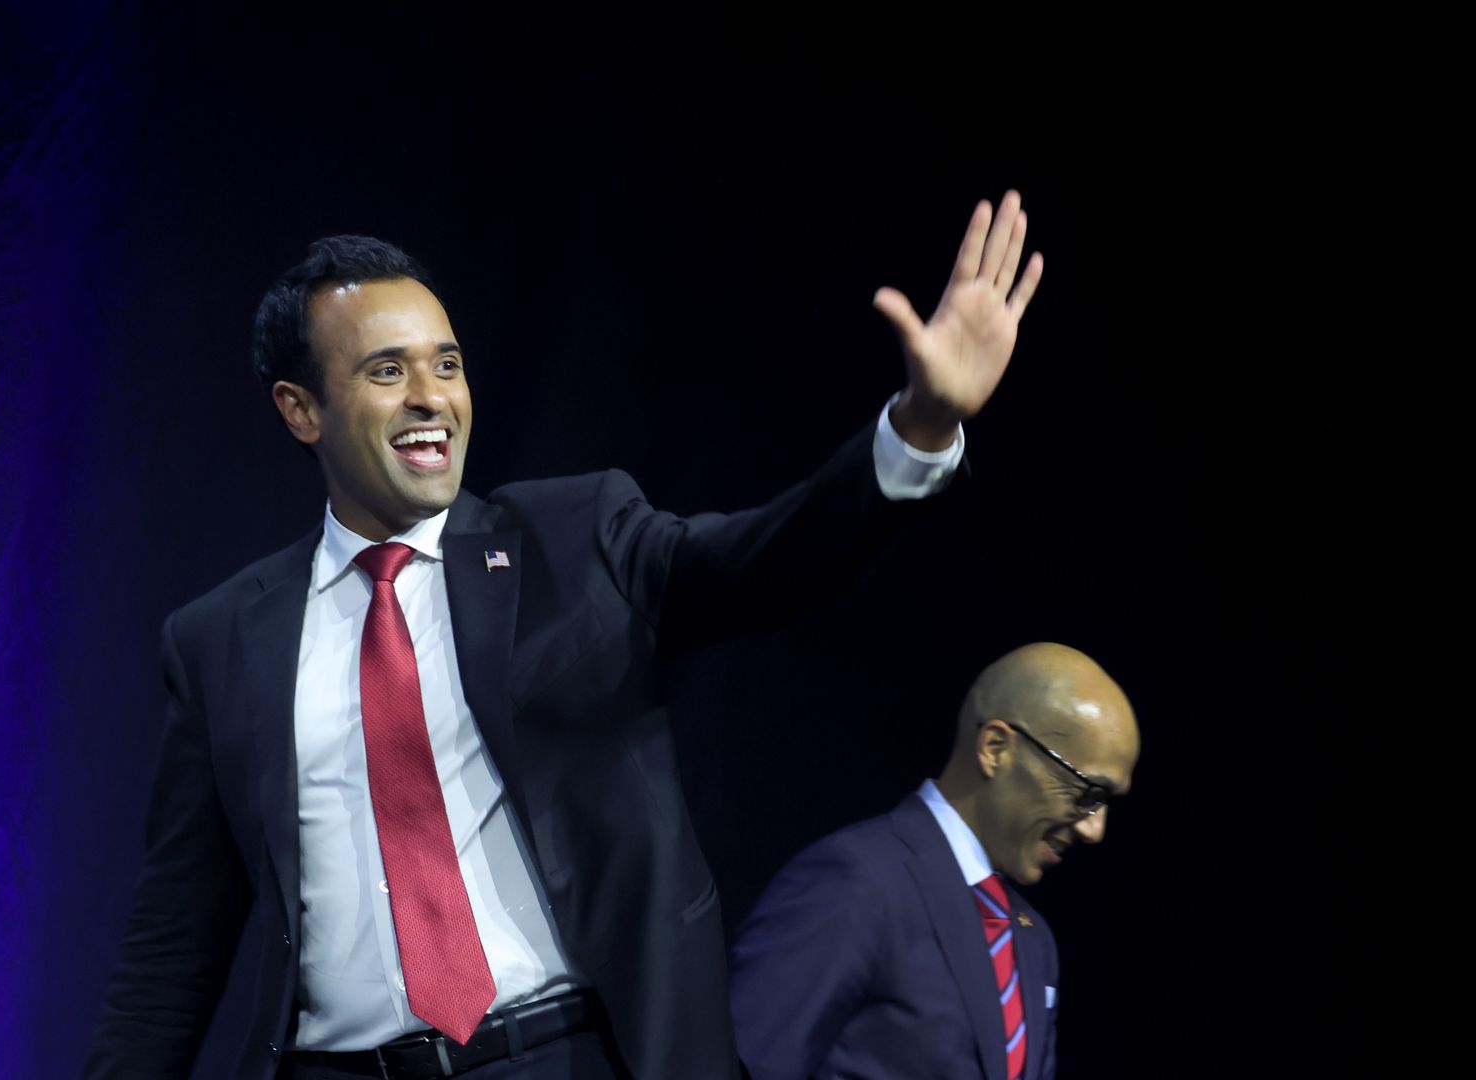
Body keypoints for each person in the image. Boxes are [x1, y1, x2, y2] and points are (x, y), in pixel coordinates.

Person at [86, 193, 1046, 1079]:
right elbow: (176, 945)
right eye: (388, 371)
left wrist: (920, 426)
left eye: (447, 364)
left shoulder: (575, 538)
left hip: (567, 1055)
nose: (433, 397)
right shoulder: (221, 642)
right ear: (302, 410)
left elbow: (766, 562)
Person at [729, 642, 1140, 1080]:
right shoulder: (856, 881)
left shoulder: (1034, 942)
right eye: (1087, 794)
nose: (1094, 830)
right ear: (996, 748)